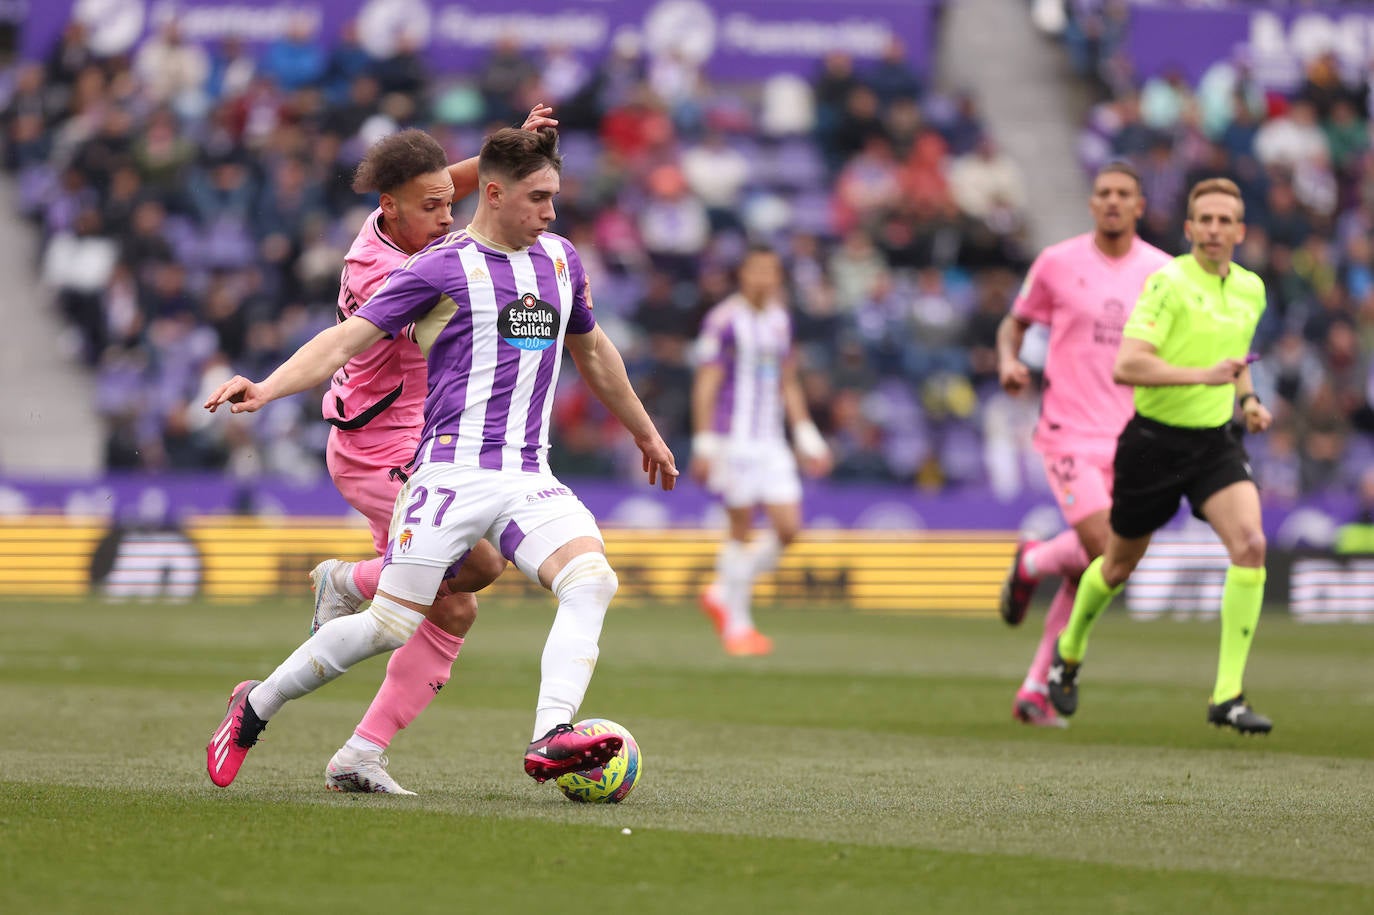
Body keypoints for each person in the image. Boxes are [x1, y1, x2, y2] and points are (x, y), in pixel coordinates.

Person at [204, 127, 679, 792]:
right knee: (390, 625)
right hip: (447, 472)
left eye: (554, 197)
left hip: (527, 474)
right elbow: (344, 340)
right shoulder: (435, 267)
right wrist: (266, 385)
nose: (550, 211)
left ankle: (549, 734)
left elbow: (595, 353)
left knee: (592, 578)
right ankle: (254, 708)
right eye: (538, 197)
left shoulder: (563, 260)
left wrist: (646, 432)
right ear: (496, 193)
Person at [284, 109, 554, 795]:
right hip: (376, 448)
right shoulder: (394, 270)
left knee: (454, 606)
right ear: (390, 206)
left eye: (449, 202)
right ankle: (345, 582)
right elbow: (338, 345)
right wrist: (266, 387)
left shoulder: (395, 217)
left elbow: (446, 185)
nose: (447, 215)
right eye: (433, 207)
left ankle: (360, 753)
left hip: (419, 439)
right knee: (482, 562)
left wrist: (506, 158)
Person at [1047, 177, 1274, 734]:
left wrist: (1248, 400)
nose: (1216, 230)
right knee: (1118, 566)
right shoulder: (1167, 284)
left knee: (1251, 544)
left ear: (1240, 231)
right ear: (1190, 228)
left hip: (1213, 442)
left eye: (1226, 221)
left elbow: (1236, 358)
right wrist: (1204, 376)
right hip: (1152, 441)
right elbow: (1127, 364)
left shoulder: (1251, 290)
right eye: (1207, 220)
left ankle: (1228, 696)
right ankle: (1069, 649)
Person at [995, 162, 1172, 727]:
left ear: (1140, 205)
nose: (1114, 202)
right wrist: (1008, 362)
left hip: (1135, 438)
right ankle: (1044, 594)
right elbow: (1014, 324)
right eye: (1104, 193)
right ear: (1092, 204)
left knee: (1096, 569)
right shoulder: (1057, 263)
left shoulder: (1166, 274)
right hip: (1069, 431)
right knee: (1104, 551)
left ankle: (1034, 685)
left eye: (1125, 193)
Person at [691, 245, 832, 656]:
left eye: (771, 272)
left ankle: (721, 590)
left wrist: (806, 433)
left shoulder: (779, 320)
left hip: (771, 441)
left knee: (789, 529)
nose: (763, 279)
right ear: (743, 275)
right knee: (741, 528)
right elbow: (707, 381)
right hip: (733, 440)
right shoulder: (723, 320)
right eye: (756, 271)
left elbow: (787, 380)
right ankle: (738, 624)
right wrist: (704, 441)